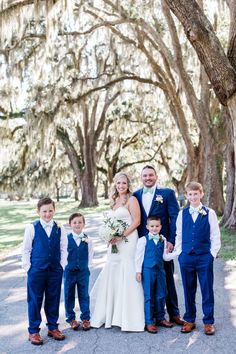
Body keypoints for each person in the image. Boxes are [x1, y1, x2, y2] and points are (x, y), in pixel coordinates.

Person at [90, 172, 145, 331]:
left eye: (124, 183)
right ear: (115, 184)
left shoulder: (132, 200)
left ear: (128, 185)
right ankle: (111, 314)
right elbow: (111, 222)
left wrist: (121, 236)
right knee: (113, 270)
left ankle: (129, 317)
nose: (121, 186)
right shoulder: (113, 200)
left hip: (127, 241)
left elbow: (136, 221)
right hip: (114, 243)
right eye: (119, 183)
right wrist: (109, 235)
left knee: (127, 271)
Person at [133, 165, 183, 326]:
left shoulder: (167, 193)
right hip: (144, 243)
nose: (148, 178)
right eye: (145, 176)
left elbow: (174, 218)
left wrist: (171, 240)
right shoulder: (136, 195)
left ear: (156, 177)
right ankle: (151, 317)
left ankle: (174, 313)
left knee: (167, 278)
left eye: (150, 175)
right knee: (147, 281)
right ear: (141, 178)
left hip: (163, 242)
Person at [175, 181, 221, 335]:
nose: (193, 196)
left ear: (201, 194)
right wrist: (180, 253)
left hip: (204, 257)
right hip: (186, 257)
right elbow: (179, 235)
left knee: (207, 289)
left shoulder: (210, 213)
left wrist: (211, 255)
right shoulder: (182, 214)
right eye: (190, 194)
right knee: (188, 289)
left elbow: (215, 236)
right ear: (187, 196)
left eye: (196, 193)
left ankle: (208, 321)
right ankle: (189, 320)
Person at [21, 197, 68, 345]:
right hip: (36, 270)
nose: (48, 214)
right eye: (44, 211)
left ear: (54, 210)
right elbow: (26, 249)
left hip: (55, 269)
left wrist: (62, 265)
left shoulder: (60, 228)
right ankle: (33, 331)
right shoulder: (32, 227)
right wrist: (28, 268)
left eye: (50, 210)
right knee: (35, 300)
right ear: (38, 211)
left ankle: (53, 327)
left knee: (53, 298)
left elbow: (63, 248)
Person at [135, 216, 175, 333]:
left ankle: (160, 318)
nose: (154, 228)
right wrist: (138, 271)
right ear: (147, 227)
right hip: (148, 271)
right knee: (149, 296)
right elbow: (139, 257)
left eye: (157, 226)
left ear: (160, 227)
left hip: (160, 270)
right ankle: (149, 321)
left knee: (162, 294)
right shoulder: (143, 240)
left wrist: (177, 253)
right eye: (152, 226)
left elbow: (165, 257)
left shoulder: (163, 239)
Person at [64, 212, 93, 331]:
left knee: (84, 294)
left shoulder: (88, 239)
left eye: (80, 222)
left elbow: (90, 254)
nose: (77, 224)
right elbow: (63, 254)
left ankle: (85, 318)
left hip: (83, 271)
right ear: (70, 224)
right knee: (68, 294)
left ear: (84, 224)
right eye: (74, 222)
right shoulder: (65, 239)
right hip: (69, 271)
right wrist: (66, 267)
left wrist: (87, 267)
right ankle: (71, 319)